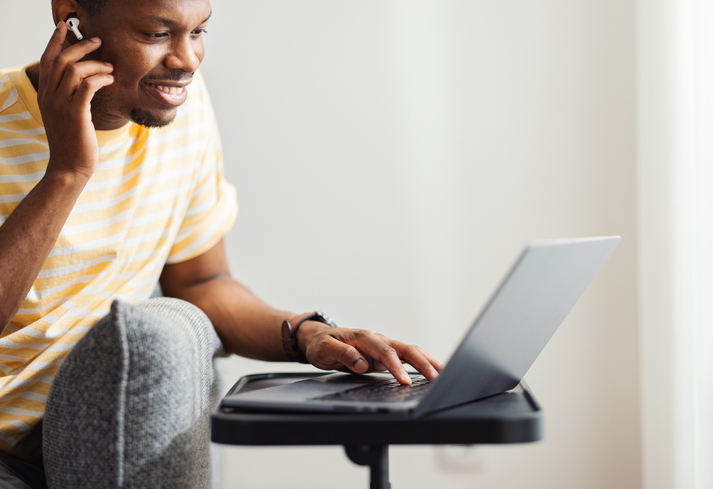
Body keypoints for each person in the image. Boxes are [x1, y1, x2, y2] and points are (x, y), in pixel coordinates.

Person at [0, 0, 443, 486]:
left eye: (199, 31)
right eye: (156, 33)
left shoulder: (179, 108)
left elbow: (202, 281)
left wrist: (305, 334)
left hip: (103, 436)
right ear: (71, 15)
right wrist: (68, 171)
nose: (187, 60)